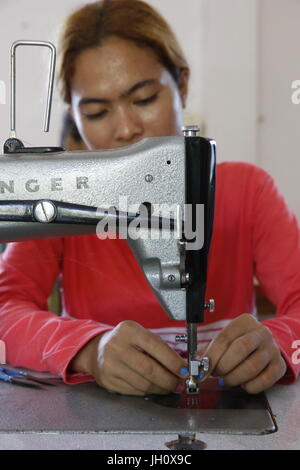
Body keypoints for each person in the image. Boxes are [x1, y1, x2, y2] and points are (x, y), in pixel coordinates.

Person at [0, 0, 299, 397]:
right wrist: (89, 350)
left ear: (183, 85)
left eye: (143, 99)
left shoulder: (249, 191)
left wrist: (278, 343)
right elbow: (6, 309)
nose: (126, 129)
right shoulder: (60, 203)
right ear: (75, 115)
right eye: (96, 112)